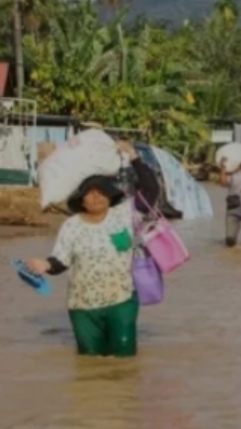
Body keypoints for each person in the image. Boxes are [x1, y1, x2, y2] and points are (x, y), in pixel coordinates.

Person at [24, 141, 151, 358]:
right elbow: (61, 260)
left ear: (111, 195)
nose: (96, 196)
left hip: (121, 302)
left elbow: (150, 190)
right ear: (81, 200)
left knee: (124, 359)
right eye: (90, 193)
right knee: (89, 361)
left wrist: (134, 158)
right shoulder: (71, 226)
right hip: (82, 306)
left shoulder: (123, 215)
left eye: (102, 191)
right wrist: (44, 264)